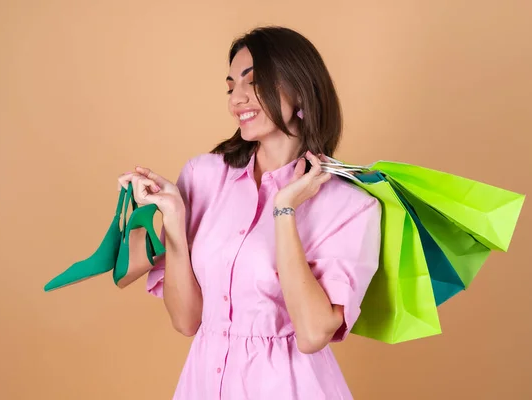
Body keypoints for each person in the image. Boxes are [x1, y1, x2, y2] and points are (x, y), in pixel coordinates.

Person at [118, 26, 382, 400]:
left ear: (302, 90)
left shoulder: (351, 207)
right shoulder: (202, 177)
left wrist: (285, 210)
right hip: (202, 386)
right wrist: (174, 221)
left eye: (253, 82)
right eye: (230, 87)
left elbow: (311, 335)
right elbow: (187, 320)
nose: (236, 100)